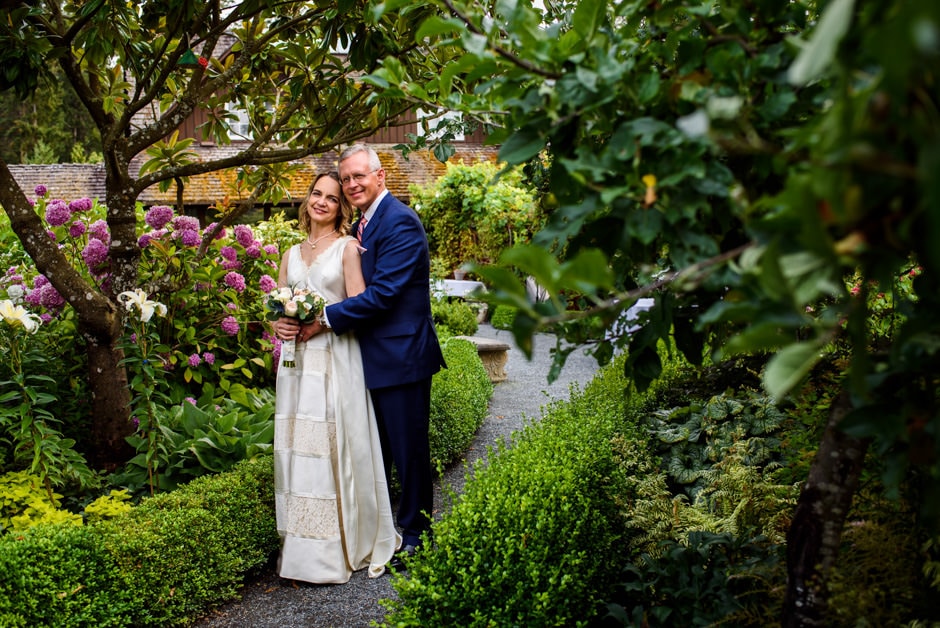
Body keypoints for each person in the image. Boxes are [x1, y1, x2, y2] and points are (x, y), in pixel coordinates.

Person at [305, 144, 446, 570]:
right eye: (345, 179)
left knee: (408, 451)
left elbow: (383, 296)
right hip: (365, 357)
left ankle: (418, 534)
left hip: (401, 356)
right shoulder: (364, 225)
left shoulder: (399, 222)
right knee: (375, 450)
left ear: (379, 176)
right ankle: (381, 529)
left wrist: (324, 318)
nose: (351, 186)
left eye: (358, 177)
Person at [270, 171, 400, 583]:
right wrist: (280, 325)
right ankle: (299, 550)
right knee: (298, 448)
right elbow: (276, 305)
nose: (322, 202)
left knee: (329, 447)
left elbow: (362, 304)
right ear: (306, 200)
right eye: (316, 194)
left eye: (331, 197)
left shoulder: (348, 248)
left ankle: (330, 553)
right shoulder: (289, 253)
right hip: (296, 364)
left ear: (340, 206)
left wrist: (320, 322)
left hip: (334, 358)